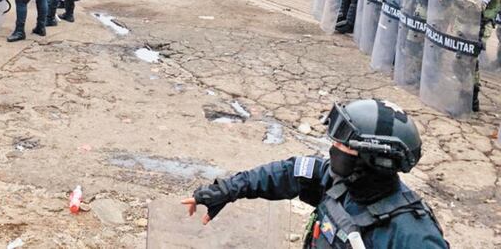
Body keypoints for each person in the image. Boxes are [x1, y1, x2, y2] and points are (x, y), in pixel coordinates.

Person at [182, 99, 448, 248]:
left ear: (375, 159)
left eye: (344, 145)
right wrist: (228, 190)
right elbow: (287, 173)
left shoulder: (413, 235)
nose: (334, 150)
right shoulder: (338, 182)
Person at [441, 0, 500, 111]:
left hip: (478, 28)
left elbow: (479, 4)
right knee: (462, 62)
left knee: (465, 62)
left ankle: (467, 99)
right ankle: (470, 99)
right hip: (463, 24)